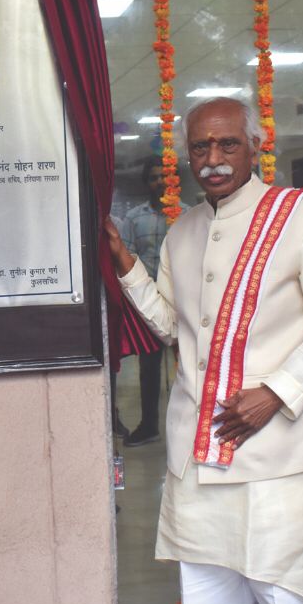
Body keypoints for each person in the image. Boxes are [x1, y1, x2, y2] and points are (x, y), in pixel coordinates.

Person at [105, 96, 303, 604]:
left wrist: (276, 391)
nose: (213, 158)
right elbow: (175, 330)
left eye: (227, 143)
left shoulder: (301, 216)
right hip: (199, 470)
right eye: (201, 146)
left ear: (255, 145)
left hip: (283, 465)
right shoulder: (183, 231)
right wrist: (127, 266)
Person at [118, 155, 187, 447]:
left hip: (183, 300)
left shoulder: (188, 215)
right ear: (147, 182)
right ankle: (149, 425)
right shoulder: (134, 219)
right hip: (148, 300)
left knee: (187, 366)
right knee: (149, 368)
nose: (160, 181)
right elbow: (128, 258)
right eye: (154, 177)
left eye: (164, 175)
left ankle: (187, 427)